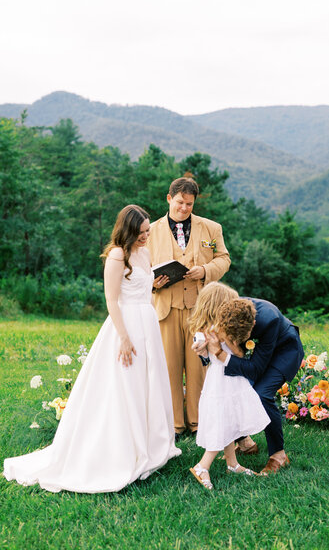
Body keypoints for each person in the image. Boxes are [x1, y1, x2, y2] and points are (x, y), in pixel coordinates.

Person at [3, 205, 181, 493]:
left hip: (147, 323)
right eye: (141, 232)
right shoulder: (116, 256)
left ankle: (151, 443)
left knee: (148, 383)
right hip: (125, 326)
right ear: (128, 230)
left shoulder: (145, 253)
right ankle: (122, 447)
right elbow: (112, 299)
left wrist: (154, 286)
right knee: (126, 385)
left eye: (148, 231)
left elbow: (138, 289)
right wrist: (124, 338)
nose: (147, 236)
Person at [147, 177, 231, 436]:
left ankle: (198, 422)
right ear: (169, 198)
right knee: (169, 368)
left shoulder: (211, 228)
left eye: (189, 204)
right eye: (180, 202)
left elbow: (224, 259)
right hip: (165, 309)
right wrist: (153, 284)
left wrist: (205, 270)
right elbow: (138, 269)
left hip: (200, 311)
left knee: (199, 367)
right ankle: (174, 424)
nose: (184, 208)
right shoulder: (149, 231)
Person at [193, 282, 304, 475]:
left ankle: (279, 455)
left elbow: (254, 370)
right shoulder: (226, 315)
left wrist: (218, 352)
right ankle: (245, 442)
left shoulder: (266, 318)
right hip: (253, 357)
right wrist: (204, 352)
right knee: (231, 392)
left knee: (261, 394)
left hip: (284, 351)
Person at [189, 298, 270, 490]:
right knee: (223, 422)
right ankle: (202, 466)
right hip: (219, 382)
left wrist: (226, 341)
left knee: (231, 420)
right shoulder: (209, 332)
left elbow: (239, 355)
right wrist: (201, 346)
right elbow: (202, 350)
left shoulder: (229, 333)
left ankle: (232, 464)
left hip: (233, 380)